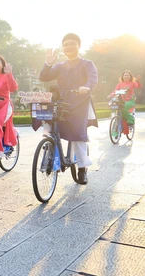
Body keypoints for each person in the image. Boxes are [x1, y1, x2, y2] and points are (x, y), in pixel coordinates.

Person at [37, 33, 98, 185]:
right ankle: (49, 152)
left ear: (78, 46)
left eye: (72, 44)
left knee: (78, 134)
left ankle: (82, 169)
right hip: (61, 101)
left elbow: (93, 78)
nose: (68, 47)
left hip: (79, 102)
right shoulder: (60, 66)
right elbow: (43, 77)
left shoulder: (87, 63)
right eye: (65, 45)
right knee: (48, 124)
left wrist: (87, 87)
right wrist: (48, 64)